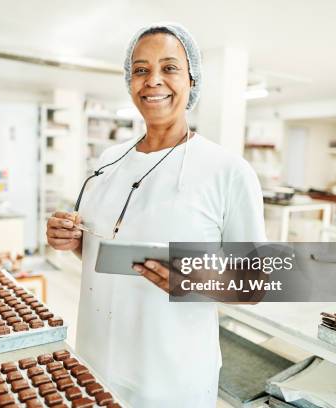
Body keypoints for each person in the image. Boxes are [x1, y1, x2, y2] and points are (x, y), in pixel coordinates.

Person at [46, 22, 266, 407]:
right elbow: (104, 254)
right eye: (141, 69)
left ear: (192, 79)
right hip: (96, 358)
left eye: (169, 68)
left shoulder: (227, 171)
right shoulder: (108, 161)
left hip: (171, 376)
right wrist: (74, 241)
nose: (153, 81)